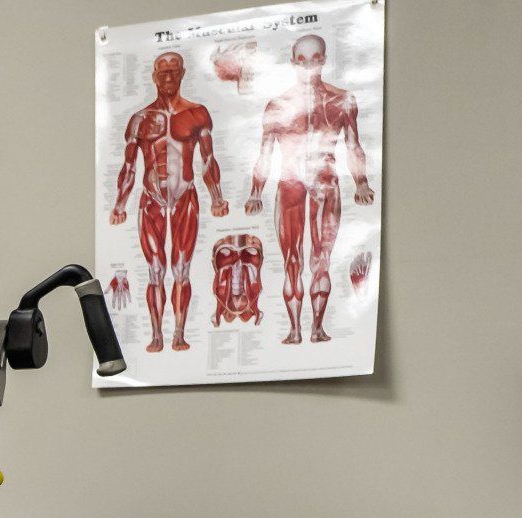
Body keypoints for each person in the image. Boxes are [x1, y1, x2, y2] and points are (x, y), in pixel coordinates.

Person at [242, 34, 376, 344]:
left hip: (325, 182)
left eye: (315, 58)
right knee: (292, 261)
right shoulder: (277, 105)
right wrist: (255, 191)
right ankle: (294, 329)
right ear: (293, 63)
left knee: (321, 259)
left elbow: (353, 144)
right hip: (289, 186)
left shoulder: (342, 100)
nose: (308, 66)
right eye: (302, 60)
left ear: (324, 60)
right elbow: (265, 153)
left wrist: (362, 182)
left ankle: (316, 328)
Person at [110, 51, 230, 353]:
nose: (167, 78)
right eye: (162, 73)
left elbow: (208, 159)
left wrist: (217, 198)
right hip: (150, 199)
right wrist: (120, 204)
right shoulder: (140, 119)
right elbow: (129, 167)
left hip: (185, 197)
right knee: (154, 269)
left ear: (182, 74)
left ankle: (177, 333)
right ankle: (155, 335)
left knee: (181, 269)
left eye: (173, 72)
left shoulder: (197, 113)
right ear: (153, 76)